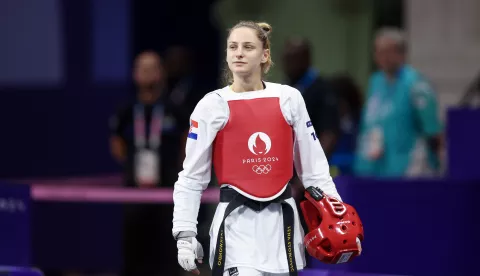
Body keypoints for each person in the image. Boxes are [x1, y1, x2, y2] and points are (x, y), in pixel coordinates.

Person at [172, 21, 361, 276]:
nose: (238, 53)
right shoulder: (211, 106)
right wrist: (185, 233)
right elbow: (192, 177)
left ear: (264, 54)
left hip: (282, 228)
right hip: (235, 228)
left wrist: (335, 211)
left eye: (247, 46)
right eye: (233, 47)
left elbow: (314, 169)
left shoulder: (289, 98)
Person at [109, 50, 185, 276]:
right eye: (142, 68)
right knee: (135, 255)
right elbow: (117, 145)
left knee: (167, 257)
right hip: (134, 195)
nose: (147, 73)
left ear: (161, 73)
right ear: (135, 74)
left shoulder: (174, 110)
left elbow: (186, 144)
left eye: (153, 68)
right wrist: (133, 166)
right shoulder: (126, 111)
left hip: (167, 194)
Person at [353, 27, 444, 177]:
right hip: (374, 167)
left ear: (402, 54)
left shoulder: (417, 85)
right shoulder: (376, 82)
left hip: (408, 168)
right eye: (378, 51)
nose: (383, 57)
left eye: (389, 51)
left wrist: (434, 164)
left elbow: (433, 131)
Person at [281, 37, 340, 158]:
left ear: (306, 59)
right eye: (286, 58)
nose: (288, 64)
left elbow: (329, 134)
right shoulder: (284, 88)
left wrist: (313, 168)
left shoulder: (322, 89)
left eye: (293, 58)